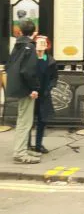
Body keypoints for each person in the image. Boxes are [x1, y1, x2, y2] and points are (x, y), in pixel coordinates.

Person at [6, 20, 40, 164]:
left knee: (23, 120)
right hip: (26, 88)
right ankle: (20, 153)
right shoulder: (30, 47)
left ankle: (23, 149)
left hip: (18, 86)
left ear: (20, 31)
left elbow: (10, 65)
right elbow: (28, 71)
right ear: (34, 32)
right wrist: (34, 88)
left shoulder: (18, 45)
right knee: (25, 121)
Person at [31, 35, 57, 154]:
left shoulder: (50, 61)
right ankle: (26, 144)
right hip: (31, 95)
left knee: (42, 121)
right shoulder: (30, 59)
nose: (41, 45)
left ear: (47, 45)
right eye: (39, 42)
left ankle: (38, 145)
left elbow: (54, 78)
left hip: (44, 95)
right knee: (28, 121)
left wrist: (48, 88)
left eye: (44, 43)